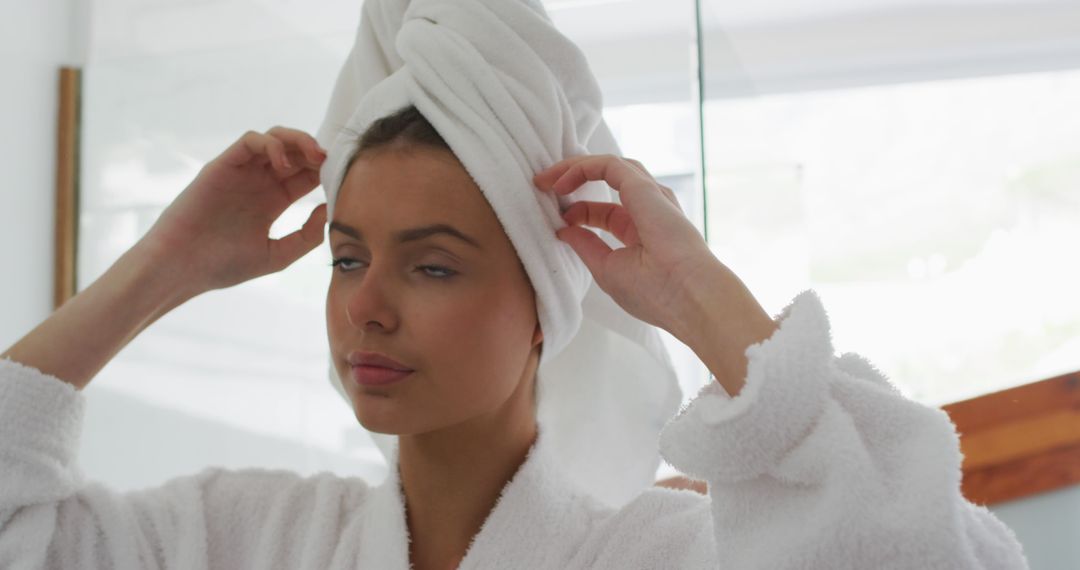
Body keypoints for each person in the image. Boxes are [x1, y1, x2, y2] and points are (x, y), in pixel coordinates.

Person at [0, 108, 1030, 568]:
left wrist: (694, 289)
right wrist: (165, 265)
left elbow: (914, 558)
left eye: (433, 263)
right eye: (348, 257)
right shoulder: (239, 540)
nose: (367, 304)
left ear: (544, 308)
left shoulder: (656, 555)